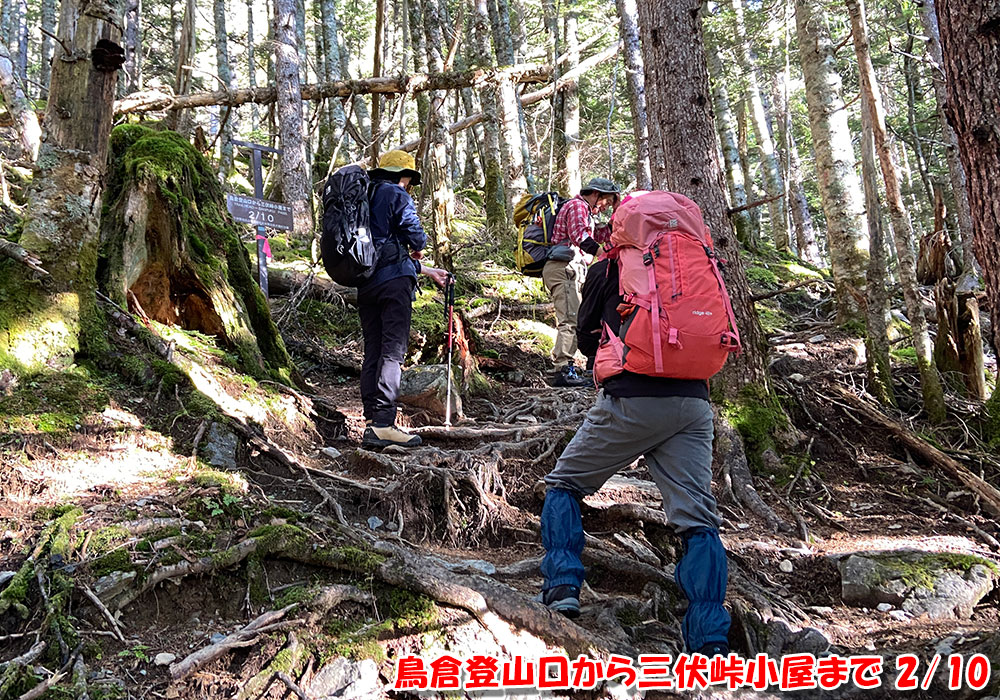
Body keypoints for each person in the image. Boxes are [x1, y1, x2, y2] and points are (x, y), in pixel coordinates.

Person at [536, 256, 731, 658]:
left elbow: (587, 336)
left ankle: (562, 585)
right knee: (698, 521)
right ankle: (710, 636)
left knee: (564, 484)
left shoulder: (610, 267)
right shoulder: (695, 265)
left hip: (631, 397)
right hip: (693, 403)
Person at [358, 150, 449, 449]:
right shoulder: (395, 193)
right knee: (393, 351)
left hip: (366, 282)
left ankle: (372, 421)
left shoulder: (365, 194)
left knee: (373, 348)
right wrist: (419, 245)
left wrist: (426, 269)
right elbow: (416, 236)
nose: (409, 185)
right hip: (393, 285)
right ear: (404, 176)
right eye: (409, 179)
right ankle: (385, 423)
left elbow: (384, 249)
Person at [543, 177, 621, 387]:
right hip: (564, 268)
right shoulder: (577, 206)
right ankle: (562, 369)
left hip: (571, 268)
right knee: (570, 319)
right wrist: (602, 253)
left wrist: (616, 218)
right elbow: (581, 237)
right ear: (596, 194)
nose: (605, 206)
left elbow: (601, 234)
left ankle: (568, 367)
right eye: (606, 200)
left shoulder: (586, 212)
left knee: (577, 316)